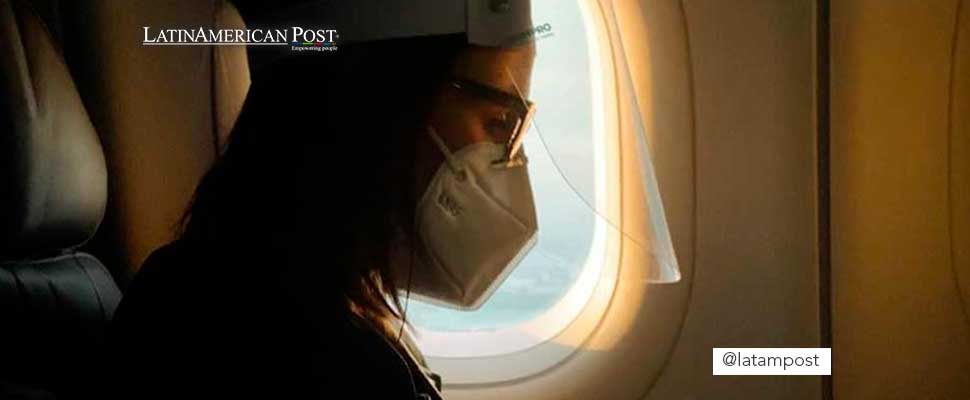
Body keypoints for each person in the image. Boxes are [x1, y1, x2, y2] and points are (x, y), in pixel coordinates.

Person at [107, 3, 539, 399]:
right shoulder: (322, 360)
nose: (510, 159)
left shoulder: (187, 282)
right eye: (500, 122)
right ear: (383, 105)